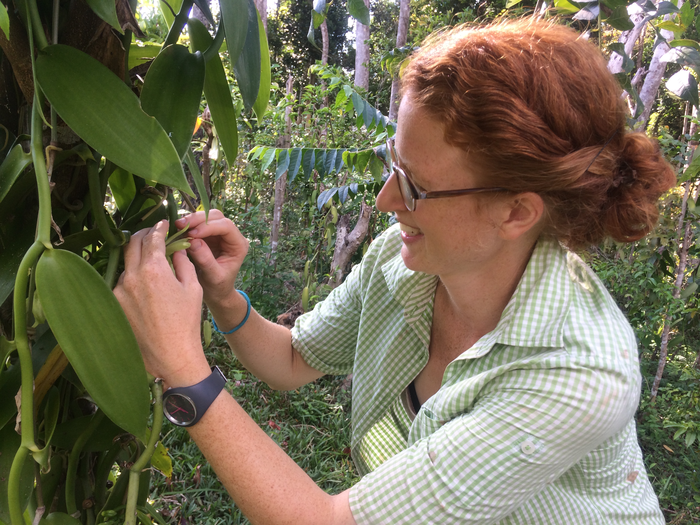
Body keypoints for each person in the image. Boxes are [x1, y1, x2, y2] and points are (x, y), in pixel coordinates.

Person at [115, 17, 676, 524]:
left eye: (417, 185)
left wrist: (182, 368)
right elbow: (290, 360)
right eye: (394, 165)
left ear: (516, 211)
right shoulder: (404, 262)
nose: (386, 200)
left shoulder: (576, 375)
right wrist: (224, 298)